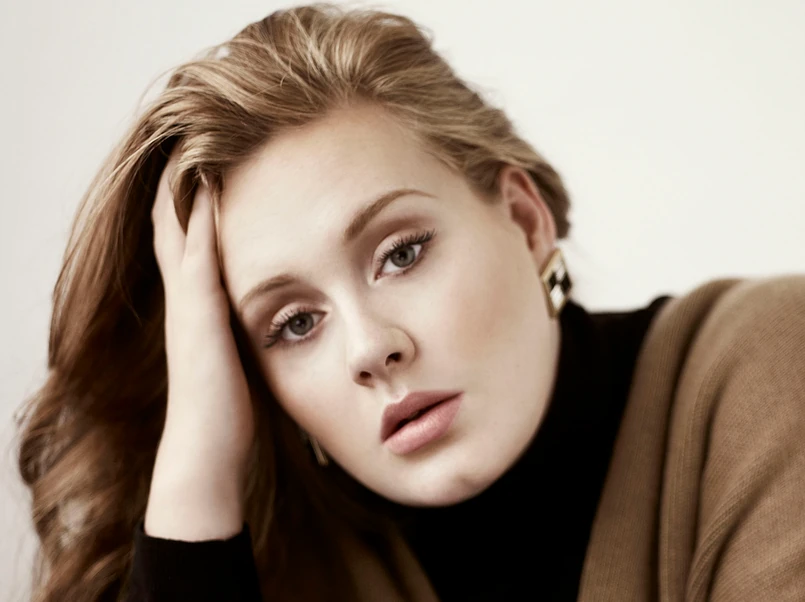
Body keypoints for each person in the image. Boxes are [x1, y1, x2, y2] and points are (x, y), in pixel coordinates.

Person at [15, 3, 805, 601]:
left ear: (524, 220)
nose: (369, 348)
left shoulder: (768, 365)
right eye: (294, 324)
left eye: (401, 253)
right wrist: (196, 473)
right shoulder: (279, 562)